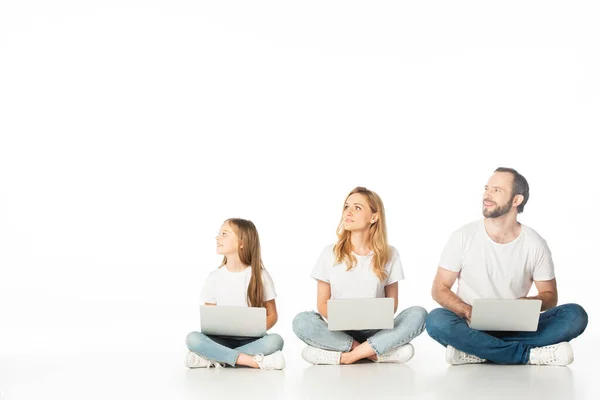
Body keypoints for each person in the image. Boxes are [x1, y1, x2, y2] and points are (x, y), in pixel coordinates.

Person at [426, 167, 588, 366]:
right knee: (435, 320)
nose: (487, 195)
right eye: (487, 188)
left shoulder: (535, 243)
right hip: (470, 325)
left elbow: (550, 295)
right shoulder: (463, 236)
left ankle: (477, 351)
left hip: (517, 325)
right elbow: (439, 289)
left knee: (575, 315)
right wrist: (467, 310)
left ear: (516, 200)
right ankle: (528, 355)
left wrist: (529, 302)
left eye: (497, 190)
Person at [292, 187, 428, 365]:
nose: (348, 212)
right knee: (302, 321)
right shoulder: (329, 253)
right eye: (346, 207)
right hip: (340, 331)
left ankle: (345, 356)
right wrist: (345, 318)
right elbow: (322, 304)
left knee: (419, 314)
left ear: (374, 217)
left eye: (357, 208)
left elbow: (392, 304)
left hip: (376, 330)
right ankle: (372, 352)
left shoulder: (390, 254)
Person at [185, 218, 285, 370]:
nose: (217, 237)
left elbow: (272, 315)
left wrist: (255, 327)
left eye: (224, 234)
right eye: (219, 233)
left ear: (242, 243)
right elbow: (209, 318)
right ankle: (250, 361)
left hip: (252, 341)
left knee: (276, 341)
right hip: (220, 340)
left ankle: (215, 358)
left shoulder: (261, 276)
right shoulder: (214, 277)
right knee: (193, 339)